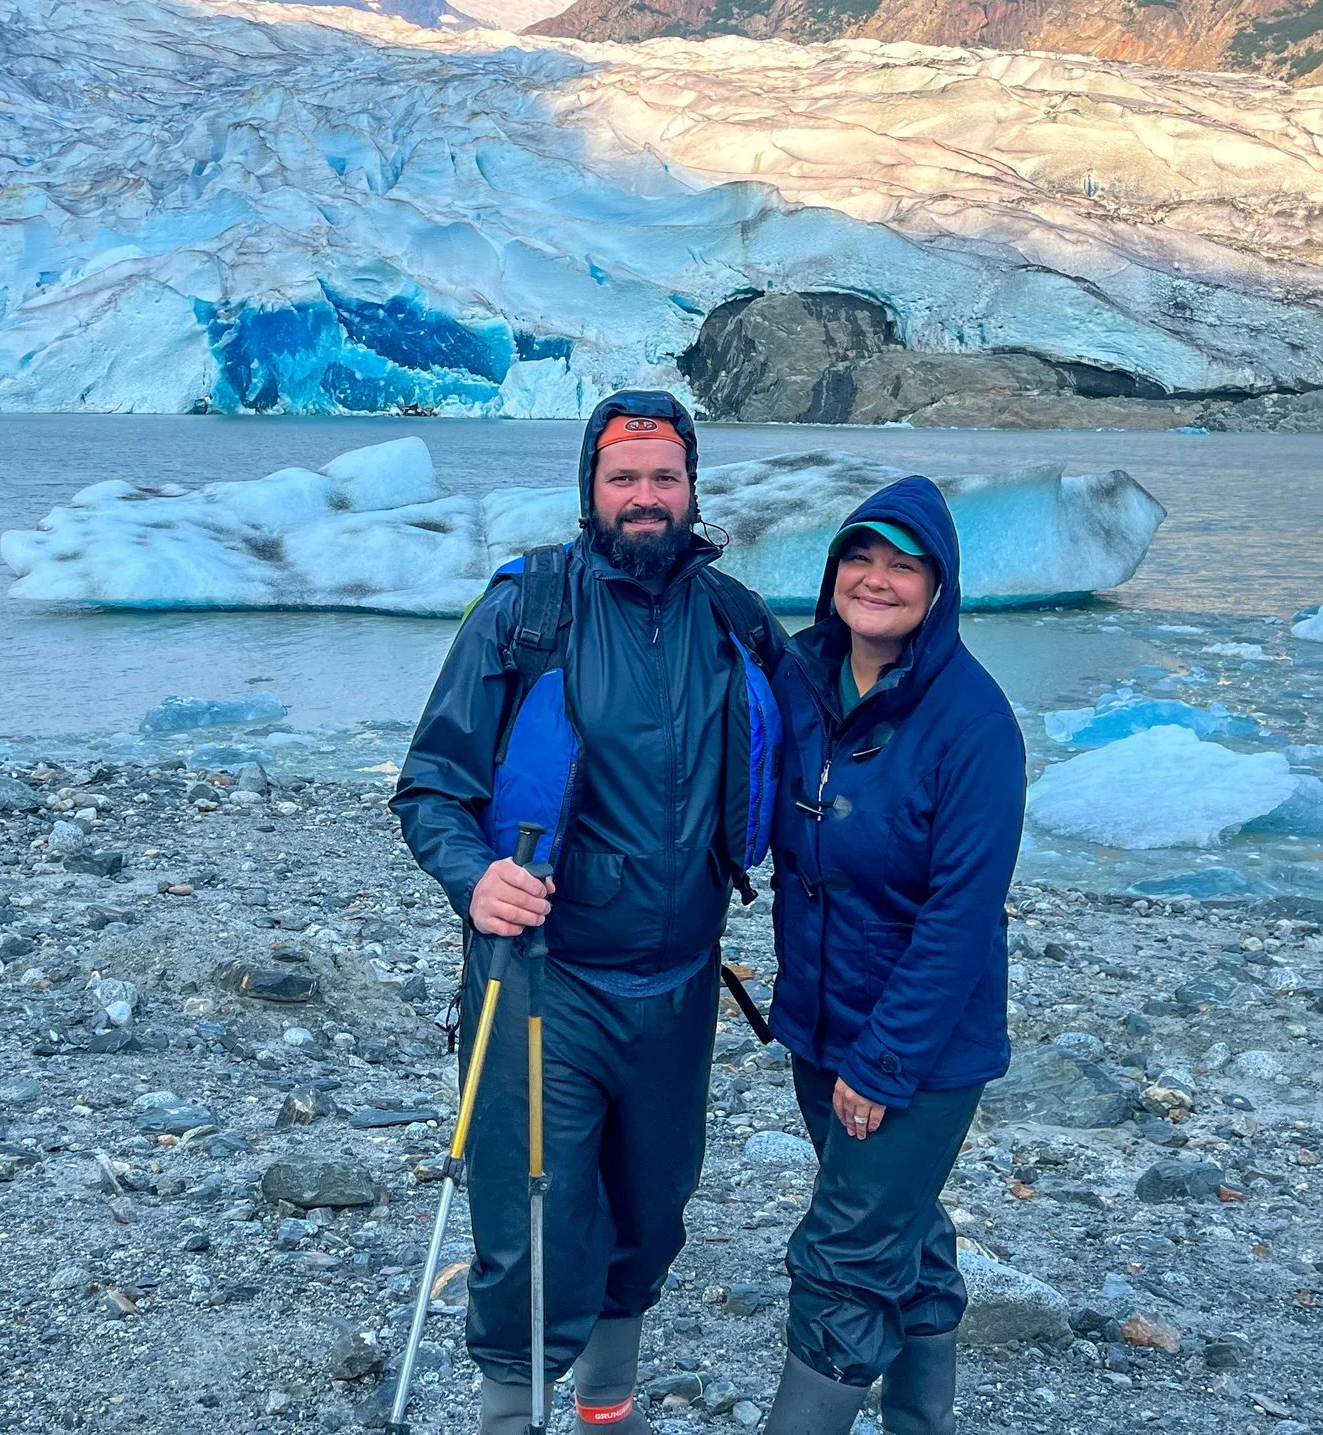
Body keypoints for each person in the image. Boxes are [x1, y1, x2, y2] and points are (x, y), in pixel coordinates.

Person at [392, 390, 785, 1435]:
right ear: (591, 491)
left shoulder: (735, 621)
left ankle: (606, 1410)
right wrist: (472, 875)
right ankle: (509, 1417)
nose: (646, 497)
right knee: (534, 1227)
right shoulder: (529, 611)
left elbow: (817, 760)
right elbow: (432, 784)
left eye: (664, 477)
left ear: (691, 487)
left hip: (680, 982)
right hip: (542, 981)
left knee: (649, 1217)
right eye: (625, 479)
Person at [759, 477, 1025, 1435]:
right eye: (859, 557)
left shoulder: (972, 722)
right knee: (901, 1225)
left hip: (914, 1052)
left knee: (842, 1255)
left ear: (939, 585)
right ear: (832, 571)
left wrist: (882, 1061)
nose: (877, 579)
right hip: (818, 1025)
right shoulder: (798, 676)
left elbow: (961, 918)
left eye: (903, 564)